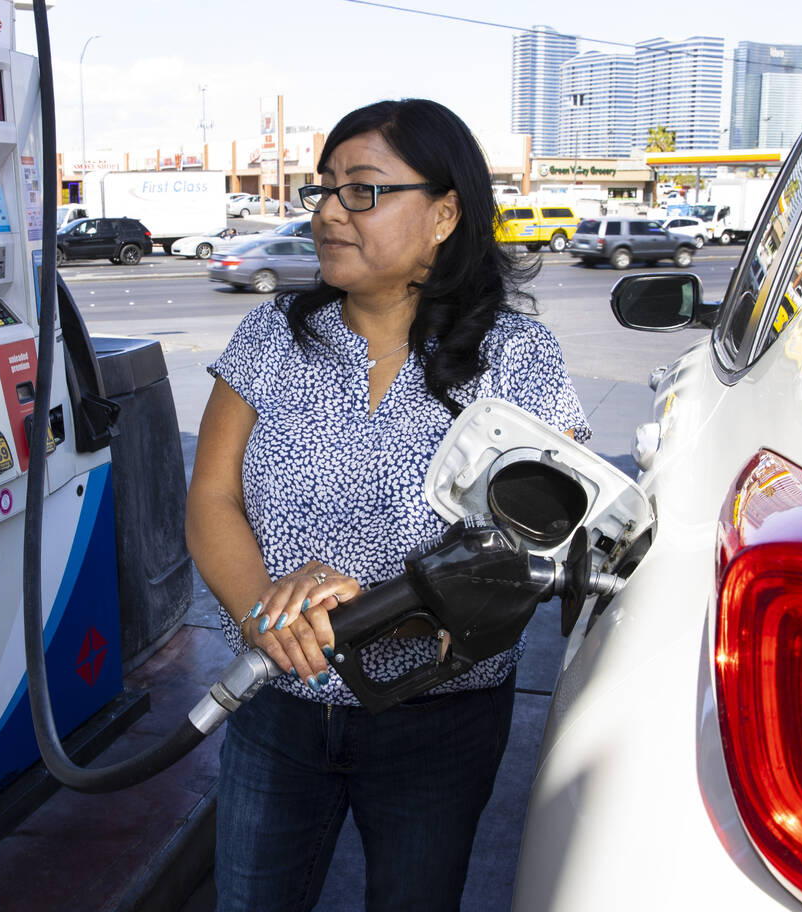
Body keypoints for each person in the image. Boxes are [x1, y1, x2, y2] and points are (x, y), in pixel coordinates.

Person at [184, 98, 590, 912]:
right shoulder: (271, 337)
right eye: (324, 188)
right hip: (279, 704)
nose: (331, 211)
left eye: (362, 191)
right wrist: (270, 616)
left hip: (436, 720)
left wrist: (384, 607)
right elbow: (211, 497)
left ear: (444, 213)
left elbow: (548, 547)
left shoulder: (517, 358)